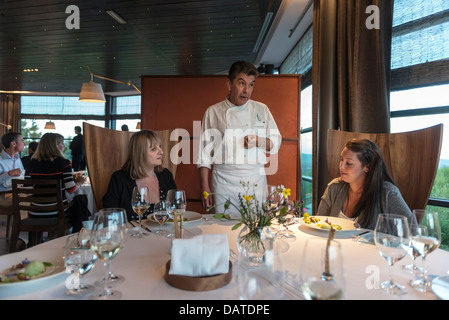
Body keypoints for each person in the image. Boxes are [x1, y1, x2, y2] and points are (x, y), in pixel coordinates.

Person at [198, 61, 282, 217]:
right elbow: (204, 155)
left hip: (255, 181)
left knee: (255, 229)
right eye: (242, 83)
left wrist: (259, 140)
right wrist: (204, 185)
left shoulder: (261, 109)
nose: (246, 91)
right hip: (224, 182)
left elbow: (276, 143)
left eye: (251, 85)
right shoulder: (213, 112)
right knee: (224, 228)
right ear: (229, 84)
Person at [317, 138, 412, 229]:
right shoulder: (334, 187)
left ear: (367, 166)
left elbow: (412, 231)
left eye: (349, 163)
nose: (341, 166)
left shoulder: (388, 193)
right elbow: (318, 224)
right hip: (335, 246)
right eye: (341, 160)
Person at [102, 130, 177, 221]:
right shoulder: (119, 179)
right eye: (154, 149)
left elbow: (175, 210)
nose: (161, 152)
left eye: (160, 147)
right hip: (130, 234)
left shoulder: (166, 175)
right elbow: (110, 217)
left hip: (163, 233)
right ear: (139, 153)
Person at [25, 133, 86, 218]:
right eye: (62, 143)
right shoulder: (64, 163)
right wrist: (79, 182)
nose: (64, 146)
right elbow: (71, 189)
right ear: (55, 146)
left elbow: (27, 190)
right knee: (80, 204)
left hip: (35, 212)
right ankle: (77, 230)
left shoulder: (31, 163)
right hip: (58, 212)